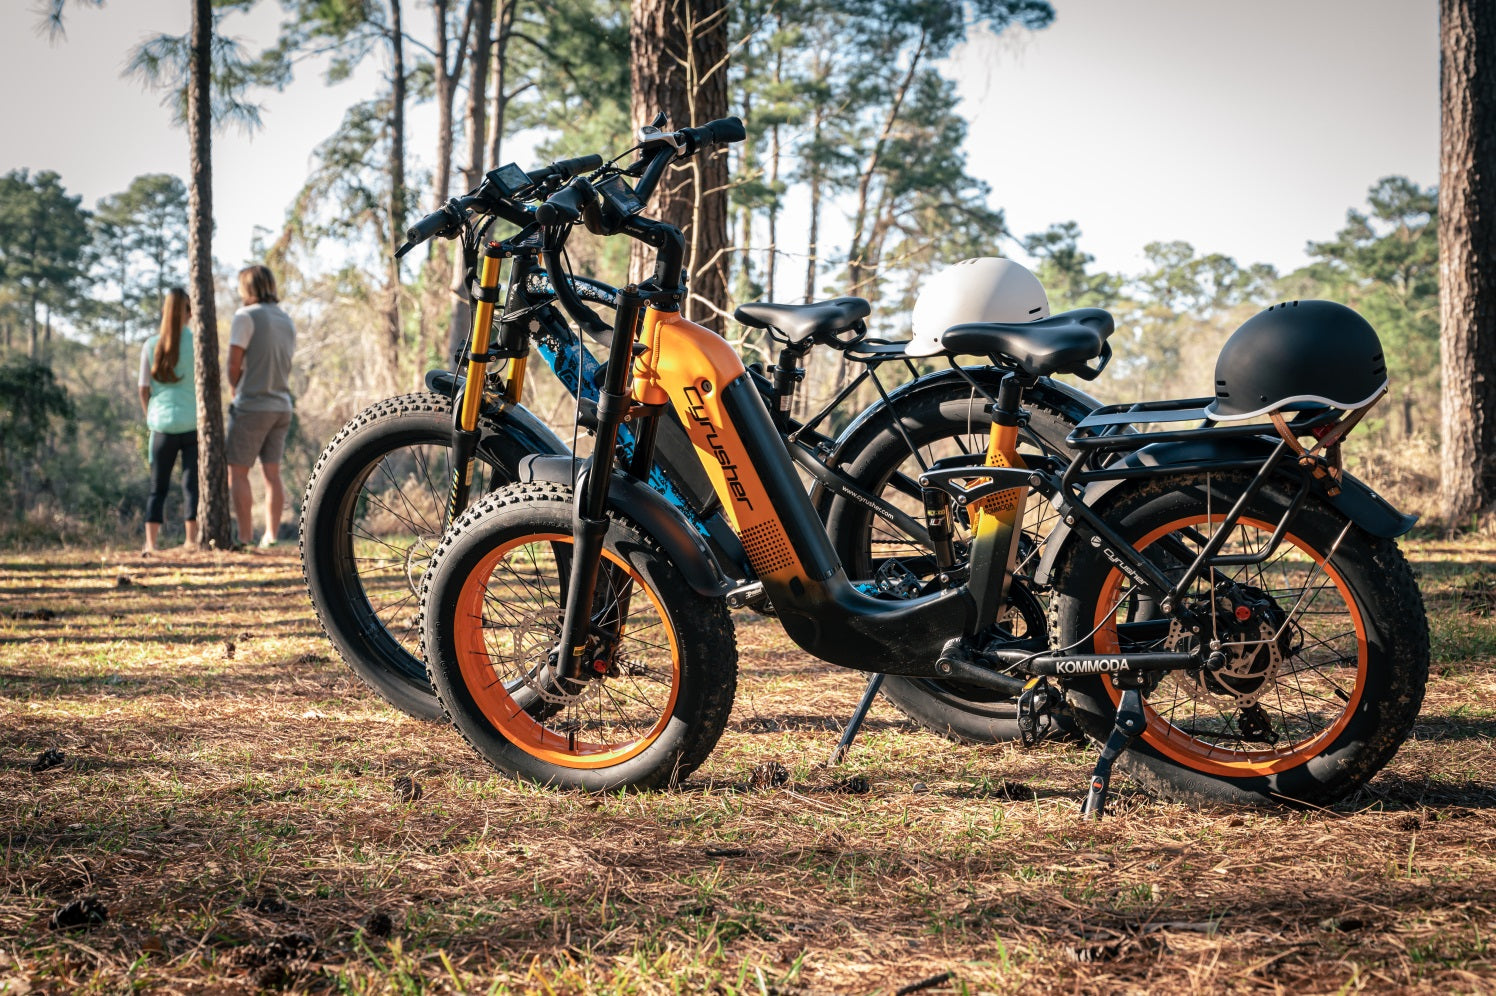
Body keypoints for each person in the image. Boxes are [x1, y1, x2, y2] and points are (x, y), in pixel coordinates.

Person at [225, 264, 296, 548]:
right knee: (272, 474)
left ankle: (244, 537)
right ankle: (271, 536)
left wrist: (235, 389)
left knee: (238, 471)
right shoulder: (286, 318)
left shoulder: (245, 316)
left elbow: (233, 364)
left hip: (253, 404)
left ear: (248, 288)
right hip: (282, 405)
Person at [138, 288, 199, 554]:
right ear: (190, 312)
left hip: (161, 425)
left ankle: (150, 544)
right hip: (192, 423)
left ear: (165, 311)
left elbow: (143, 388)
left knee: (157, 487)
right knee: (191, 485)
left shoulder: (151, 345)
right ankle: (191, 541)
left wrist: (150, 415)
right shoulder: (197, 343)